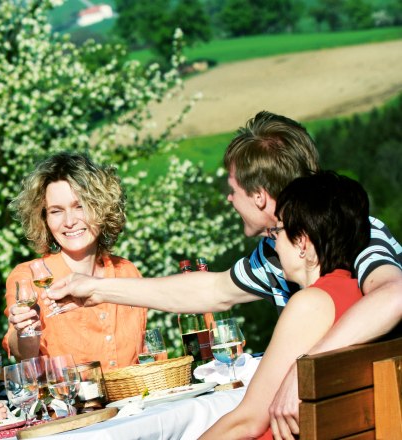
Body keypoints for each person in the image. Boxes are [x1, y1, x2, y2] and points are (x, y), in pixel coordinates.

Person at [44, 111, 402, 439]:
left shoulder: (355, 233)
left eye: (233, 190)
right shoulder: (277, 252)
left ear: (259, 197)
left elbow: (394, 294)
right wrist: (98, 289)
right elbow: (214, 290)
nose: (230, 200)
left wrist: (304, 369)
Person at [200, 171, 370, 438]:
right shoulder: (361, 294)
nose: (273, 241)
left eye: (277, 230)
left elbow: (248, 421)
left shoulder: (310, 304)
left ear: (301, 242)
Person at [4, 150, 148, 370]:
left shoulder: (127, 272)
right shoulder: (28, 276)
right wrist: (25, 331)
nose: (69, 221)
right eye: (56, 211)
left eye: (79, 206)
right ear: (44, 219)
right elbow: (21, 354)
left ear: (102, 208)